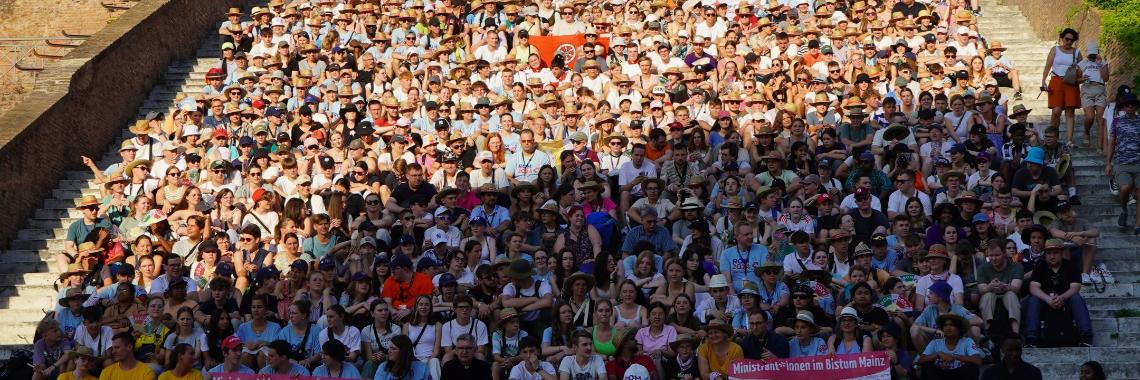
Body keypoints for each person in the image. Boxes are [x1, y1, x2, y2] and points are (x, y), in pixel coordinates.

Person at [1024, 238, 1093, 347]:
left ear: (1061, 253)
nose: (1052, 256)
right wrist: (1048, 299)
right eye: (1049, 253)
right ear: (1045, 254)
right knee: (1033, 300)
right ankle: (1031, 338)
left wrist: (1062, 298)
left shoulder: (1070, 266)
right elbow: (1033, 287)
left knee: (1076, 298)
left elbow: (1075, 287)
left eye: (1055, 253)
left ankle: (1086, 336)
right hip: (1045, 301)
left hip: (1066, 301)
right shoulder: (1040, 266)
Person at [1107, 92, 1140, 235]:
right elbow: (1112, 142)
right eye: (1127, 104)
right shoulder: (1116, 122)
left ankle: (1138, 225)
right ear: (1123, 107)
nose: (1130, 107)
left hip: (1139, 161)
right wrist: (1108, 162)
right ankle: (1124, 210)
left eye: (1133, 104)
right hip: (1122, 162)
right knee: (1125, 188)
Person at [916, 314, 983, 380]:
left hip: (959, 375)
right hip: (939, 375)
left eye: (952, 325)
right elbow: (920, 360)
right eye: (945, 325)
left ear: (959, 328)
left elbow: (977, 360)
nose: (948, 328)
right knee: (926, 365)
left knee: (972, 367)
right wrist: (938, 354)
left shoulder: (967, 341)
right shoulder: (935, 342)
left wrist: (954, 357)